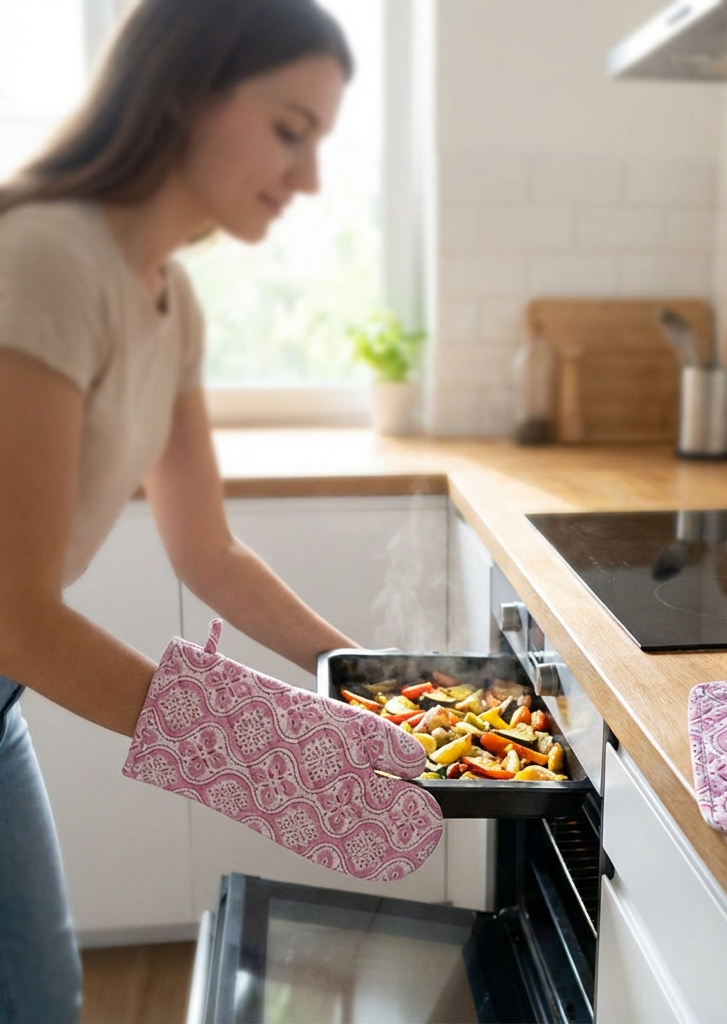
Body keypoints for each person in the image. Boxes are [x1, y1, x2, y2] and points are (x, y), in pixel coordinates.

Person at [0, 2, 442, 1021]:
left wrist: (378, 687)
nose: (310, 177)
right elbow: (16, 610)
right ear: (184, 95)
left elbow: (209, 550)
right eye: (291, 130)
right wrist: (261, 753)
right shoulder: (44, 259)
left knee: (37, 998)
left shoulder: (170, 301)